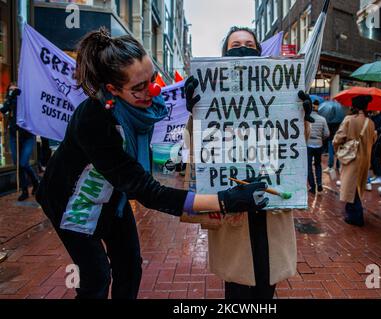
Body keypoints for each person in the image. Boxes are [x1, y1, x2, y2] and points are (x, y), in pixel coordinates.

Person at [35, 28, 269, 299]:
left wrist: (202, 101)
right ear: (113, 89)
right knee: (96, 277)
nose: (153, 90)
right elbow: (148, 192)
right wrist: (225, 200)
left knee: (130, 266)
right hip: (72, 203)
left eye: (153, 79)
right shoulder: (94, 120)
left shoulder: (142, 104)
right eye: (139, 87)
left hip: (113, 198)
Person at [183, 26, 312, 299]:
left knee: (266, 284)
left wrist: (302, 115)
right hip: (234, 212)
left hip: (271, 209)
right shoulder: (209, 102)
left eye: (249, 43)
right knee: (238, 288)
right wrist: (196, 112)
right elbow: (195, 150)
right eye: (235, 44)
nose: (242, 47)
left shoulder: (277, 98)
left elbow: (294, 147)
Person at [333, 95, 377, 227]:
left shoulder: (349, 119)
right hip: (365, 158)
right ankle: (352, 212)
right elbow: (374, 139)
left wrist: (339, 149)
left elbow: (338, 138)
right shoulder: (370, 122)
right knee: (357, 186)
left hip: (352, 158)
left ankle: (356, 215)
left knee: (351, 187)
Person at [0, 83, 40, 201]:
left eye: (14, 90)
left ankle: (35, 182)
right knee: (18, 165)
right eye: (10, 90)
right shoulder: (10, 100)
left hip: (27, 136)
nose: (12, 92)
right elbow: (3, 110)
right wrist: (11, 97)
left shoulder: (25, 100)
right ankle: (24, 190)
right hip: (14, 135)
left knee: (23, 163)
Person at [307, 100, 329, 194]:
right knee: (318, 165)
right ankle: (319, 184)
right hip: (319, 145)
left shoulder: (307, 119)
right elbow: (327, 133)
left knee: (308, 166)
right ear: (317, 107)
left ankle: (312, 186)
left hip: (308, 144)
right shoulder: (322, 119)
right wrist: (320, 138)